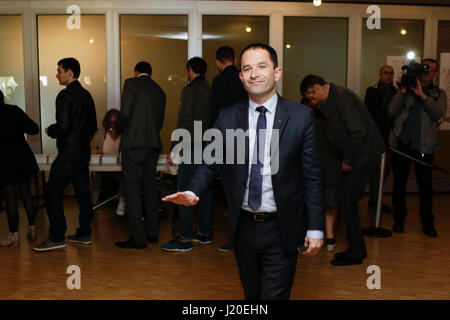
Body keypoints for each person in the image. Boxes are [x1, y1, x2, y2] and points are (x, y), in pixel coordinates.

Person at [163, 44, 325, 300]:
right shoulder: (228, 117)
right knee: (252, 295)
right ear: (240, 77)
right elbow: (209, 160)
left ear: (277, 72)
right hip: (243, 227)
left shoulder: (301, 117)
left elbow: (313, 178)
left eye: (262, 66)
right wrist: (192, 190)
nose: (254, 74)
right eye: (247, 68)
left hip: (282, 226)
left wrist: (316, 227)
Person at [300, 74, 385, 266]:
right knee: (347, 203)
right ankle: (357, 249)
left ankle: (356, 252)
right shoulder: (331, 100)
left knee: (347, 204)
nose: (312, 102)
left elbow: (358, 132)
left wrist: (348, 159)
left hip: (362, 158)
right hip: (358, 157)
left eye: (312, 97)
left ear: (317, 88)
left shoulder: (341, 97)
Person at [34, 57, 98, 252]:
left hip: (68, 153)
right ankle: (84, 233)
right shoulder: (87, 95)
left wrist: (50, 130)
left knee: (52, 191)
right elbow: (93, 126)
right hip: (83, 152)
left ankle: (56, 236)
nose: (57, 75)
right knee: (83, 194)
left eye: (59, 71)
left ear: (69, 73)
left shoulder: (64, 95)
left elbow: (62, 126)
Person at [389, 58, 447, 237]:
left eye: (431, 69)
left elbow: (439, 113)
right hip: (401, 144)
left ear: (435, 73)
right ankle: (398, 221)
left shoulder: (439, 94)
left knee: (426, 188)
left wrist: (422, 95)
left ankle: (427, 224)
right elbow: (391, 111)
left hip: (424, 147)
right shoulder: (406, 90)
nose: (427, 72)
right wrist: (403, 91)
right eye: (425, 68)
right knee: (399, 186)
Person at [162, 57, 213, 252]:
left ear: (190, 70)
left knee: (184, 191)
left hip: (192, 146)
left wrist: (174, 147)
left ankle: (184, 238)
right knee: (204, 190)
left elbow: (184, 120)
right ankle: (204, 233)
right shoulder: (210, 89)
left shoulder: (189, 90)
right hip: (209, 145)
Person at [115, 61, 166, 249]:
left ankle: (138, 237)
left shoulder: (131, 83)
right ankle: (152, 233)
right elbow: (159, 122)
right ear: (150, 74)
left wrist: (117, 129)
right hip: (153, 145)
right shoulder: (159, 91)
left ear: (136, 72)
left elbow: (125, 112)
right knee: (150, 188)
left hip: (134, 144)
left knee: (132, 190)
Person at [210, 46, 248, 252]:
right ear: (234, 59)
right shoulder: (244, 79)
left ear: (218, 62)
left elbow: (215, 115)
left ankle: (234, 240)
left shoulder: (218, 82)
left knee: (232, 196)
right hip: (247, 142)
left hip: (226, 144)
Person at [300, 96, 341, 252]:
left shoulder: (302, 123)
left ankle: (310, 236)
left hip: (313, 169)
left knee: (311, 201)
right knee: (330, 205)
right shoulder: (329, 124)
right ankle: (330, 239)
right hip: (330, 168)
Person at [0, 90, 39, 246]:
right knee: (26, 195)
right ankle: (32, 227)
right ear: (2, 98)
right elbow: (34, 129)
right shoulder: (14, 110)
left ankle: (13, 235)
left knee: (10, 199)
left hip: (4, 162)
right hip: (23, 159)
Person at [364, 65, 397, 213]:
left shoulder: (397, 92)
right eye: (385, 73)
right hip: (375, 138)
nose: (389, 76)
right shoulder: (372, 92)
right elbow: (372, 113)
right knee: (374, 171)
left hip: (392, 138)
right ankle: (374, 200)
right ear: (379, 74)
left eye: (391, 73)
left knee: (384, 171)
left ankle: (375, 200)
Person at [90, 108, 125, 216]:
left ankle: (122, 201)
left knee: (126, 177)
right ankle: (92, 205)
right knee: (95, 179)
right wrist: (98, 152)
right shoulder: (100, 134)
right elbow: (90, 149)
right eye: (110, 123)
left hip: (119, 168)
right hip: (103, 168)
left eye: (115, 123)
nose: (113, 125)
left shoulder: (125, 134)